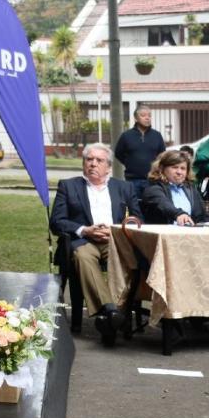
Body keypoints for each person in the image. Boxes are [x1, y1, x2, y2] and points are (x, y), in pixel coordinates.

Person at [50, 143, 141, 345]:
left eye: (98, 160)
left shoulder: (124, 188)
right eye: (88, 160)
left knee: (127, 261)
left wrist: (115, 230)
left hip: (114, 240)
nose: (93, 164)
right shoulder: (68, 186)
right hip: (83, 240)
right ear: (83, 164)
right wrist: (85, 229)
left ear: (108, 166)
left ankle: (109, 316)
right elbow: (56, 222)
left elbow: (137, 219)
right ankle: (110, 311)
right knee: (83, 257)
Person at [140, 150, 209, 225]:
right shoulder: (153, 188)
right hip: (164, 234)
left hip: (191, 234)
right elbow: (164, 205)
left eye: (183, 168)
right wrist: (179, 214)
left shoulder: (191, 189)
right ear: (162, 168)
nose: (179, 172)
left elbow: (203, 216)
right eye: (175, 167)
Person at [114, 105, 166, 200]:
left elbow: (162, 155)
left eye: (149, 115)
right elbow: (118, 153)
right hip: (132, 180)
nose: (147, 118)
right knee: (134, 207)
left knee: (152, 207)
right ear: (136, 118)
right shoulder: (126, 136)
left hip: (152, 180)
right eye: (143, 115)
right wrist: (129, 163)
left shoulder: (157, 135)